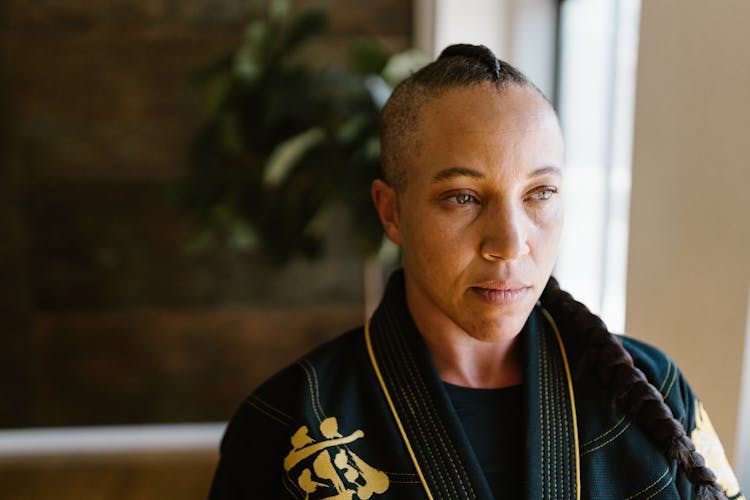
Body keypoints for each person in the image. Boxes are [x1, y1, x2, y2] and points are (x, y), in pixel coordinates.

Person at [208, 44, 743, 500]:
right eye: (462, 197)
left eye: (540, 193)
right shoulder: (288, 422)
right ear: (391, 211)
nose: (510, 243)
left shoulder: (652, 389)